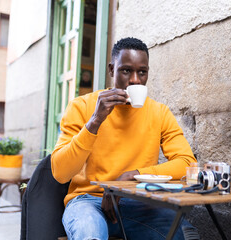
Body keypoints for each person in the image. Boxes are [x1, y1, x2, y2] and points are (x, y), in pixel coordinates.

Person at [51, 37, 199, 240]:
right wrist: (95, 121)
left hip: (136, 201)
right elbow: (60, 172)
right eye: (126, 70)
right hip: (87, 201)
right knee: (90, 233)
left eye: (142, 72)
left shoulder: (159, 112)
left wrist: (131, 176)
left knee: (182, 233)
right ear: (112, 70)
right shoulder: (82, 106)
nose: (136, 80)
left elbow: (187, 163)